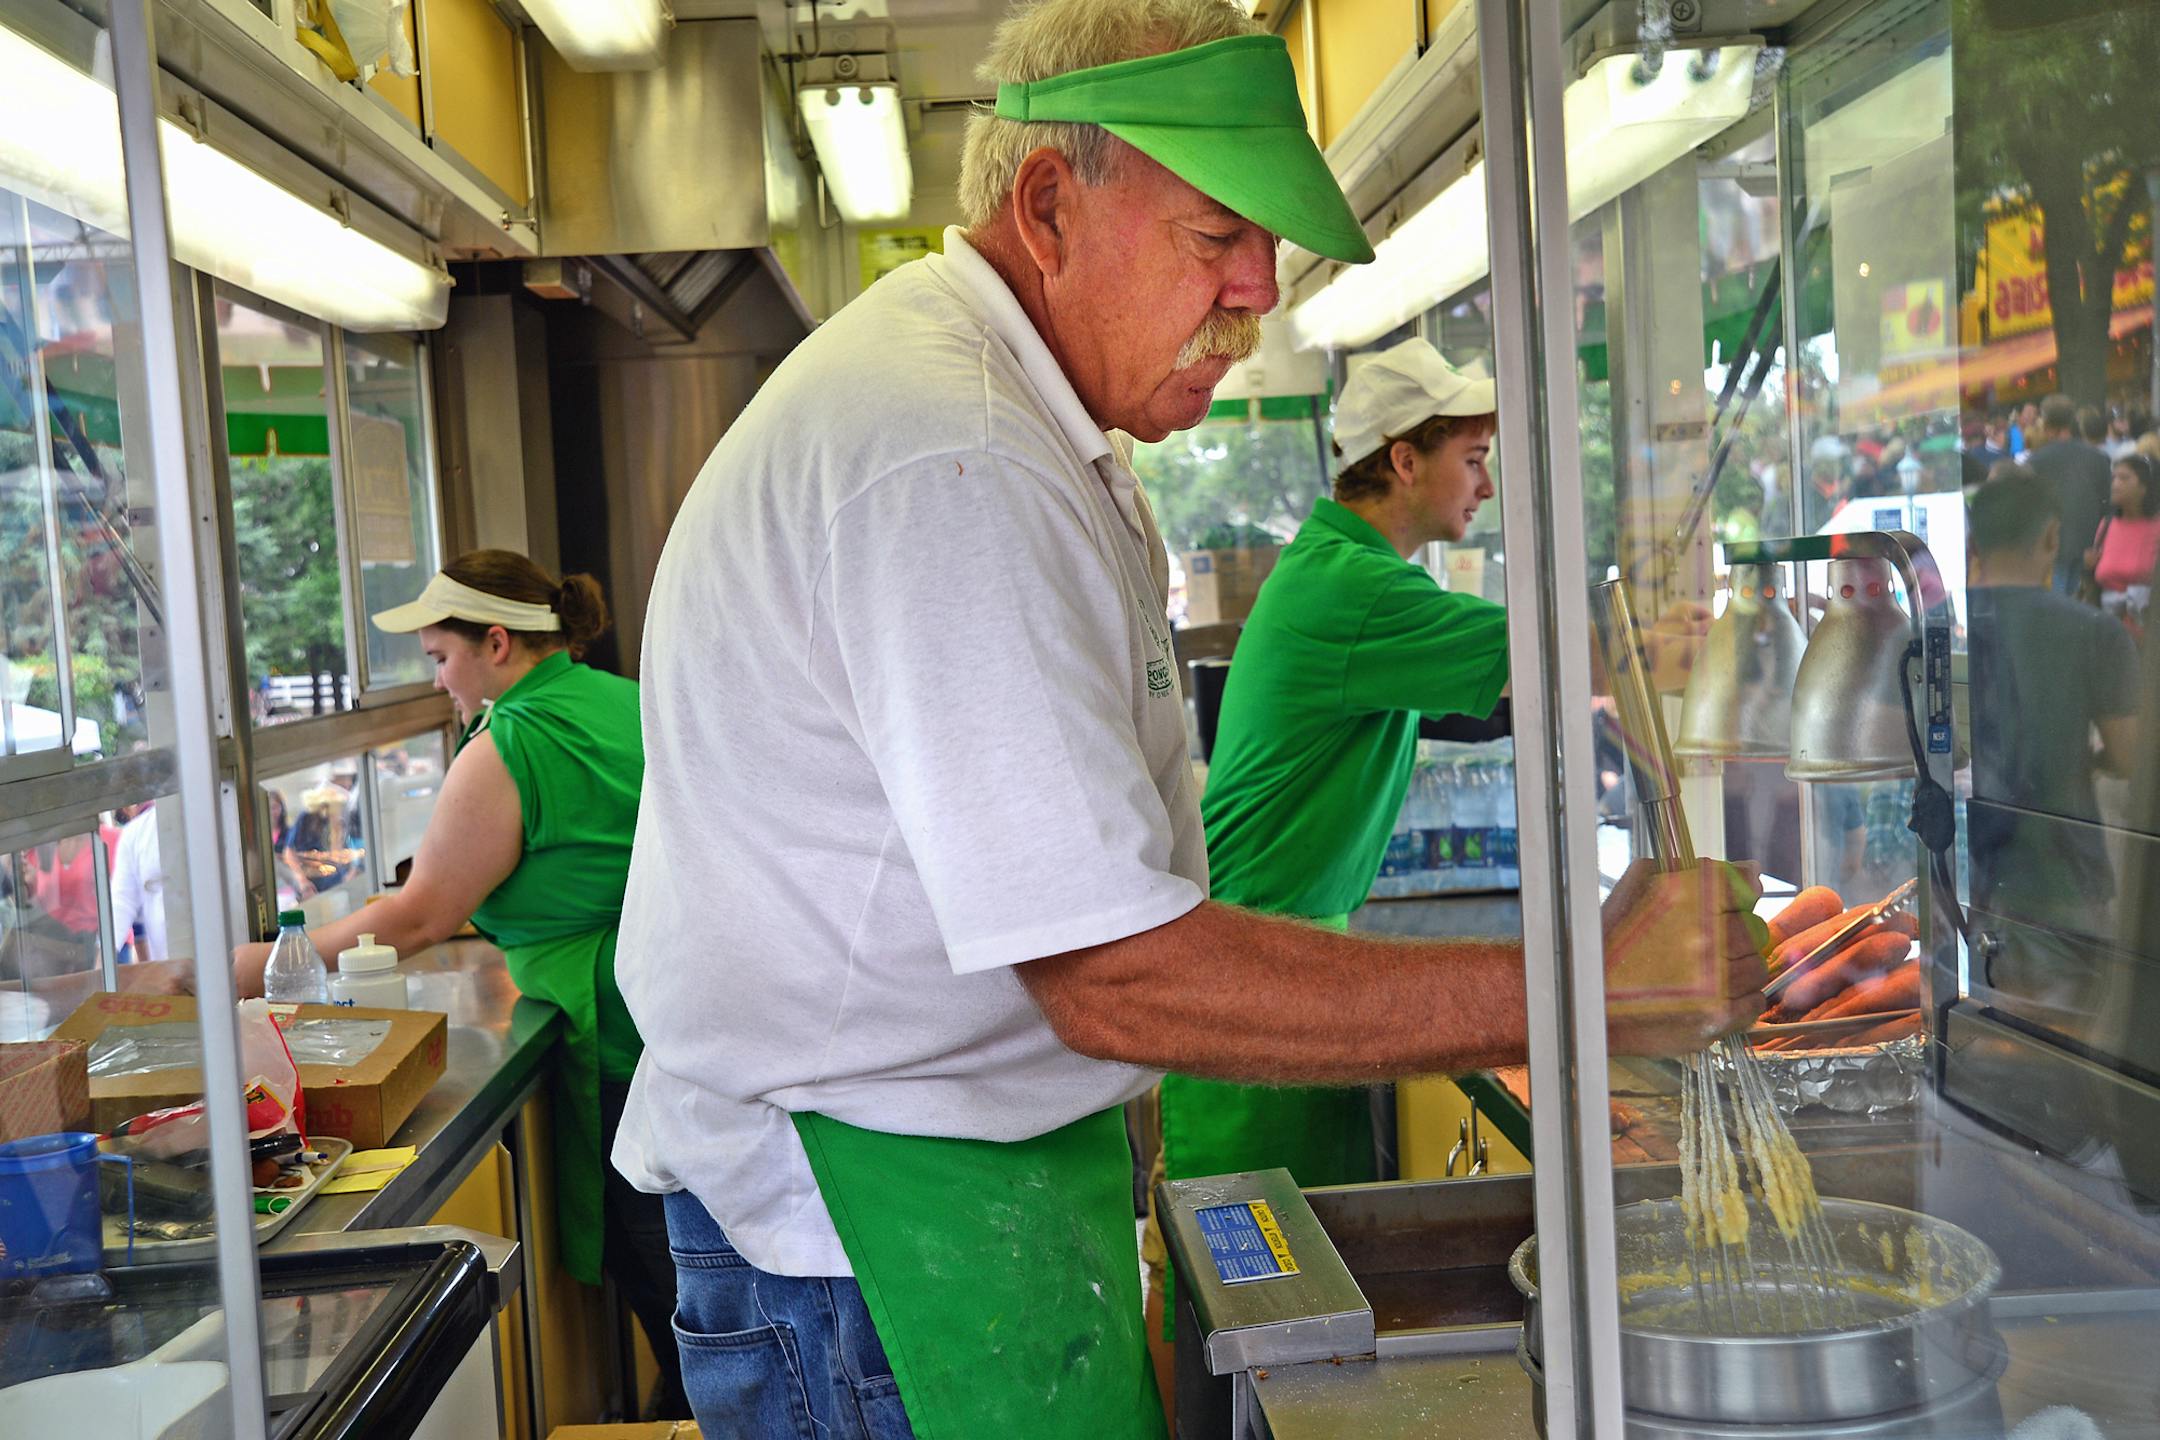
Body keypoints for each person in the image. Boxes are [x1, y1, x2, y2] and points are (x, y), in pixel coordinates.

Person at [608, 4, 1767, 1437]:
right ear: (1048, 206)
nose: (1258, 292)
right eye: (1218, 236)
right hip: (869, 1251)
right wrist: (1585, 983)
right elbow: (1112, 974)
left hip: (947, 1193)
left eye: (1268, 251)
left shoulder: (1026, 426)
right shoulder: (948, 453)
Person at [230, 550, 687, 1419]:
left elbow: (418, 918)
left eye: (442, 658)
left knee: (667, 1282)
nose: (437, 680)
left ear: (499, 642)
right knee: (699, 1282)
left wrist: (243, 966)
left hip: (619, 1024)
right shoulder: (620, 697)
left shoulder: (511, 739)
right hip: (677, 998)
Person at [1161, 339, 1503, 1206]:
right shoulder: (1357, 587)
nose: (1486, 487)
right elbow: (1541, 658)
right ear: (1403, 460)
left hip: (1278, 955)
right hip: (1259, 972)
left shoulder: (1336, 568)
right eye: (1472, 460)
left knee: (1290, 1274)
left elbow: (1475, 709)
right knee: (1257, 1286)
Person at [1965, 469, 2139, 1033]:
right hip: (2066, 876)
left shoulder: (1947, 628)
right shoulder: (2095, 632)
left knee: (1984, 1041)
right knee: (2062, 1060)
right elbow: (2131, 756)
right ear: (2050, 539)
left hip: (1974, 877)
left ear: (1974, 544)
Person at [2026, 394, 2114, 597]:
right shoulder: (2098, 458)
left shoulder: (2035, 463)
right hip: (2091, 550)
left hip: (2051, 551)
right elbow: (2108, 506)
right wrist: (2098, 546)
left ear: (2046, 424)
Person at [2083, 451, 2160, 633]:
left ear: (2145, 487)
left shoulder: (2156, 527)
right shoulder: (2107, 524)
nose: (2115, 484)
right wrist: (2088, 564)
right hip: (2107, 632)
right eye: (2114, 478)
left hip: (2148, 638)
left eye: (2124, 478)